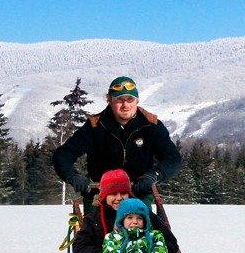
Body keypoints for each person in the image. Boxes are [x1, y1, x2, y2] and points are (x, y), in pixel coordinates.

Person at [73, 169, 197, 253]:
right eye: (113, 194)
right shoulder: (94, 219)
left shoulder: (140, 211)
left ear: (129, 194)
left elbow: (169, 239)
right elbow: (80, 247)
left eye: (123, 193)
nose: (119, 198)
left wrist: (155, 249)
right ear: (104, 196)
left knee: (168, 251)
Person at [52, 76, 181, 203]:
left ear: (137, 101)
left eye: (130, 99)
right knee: (93, 218)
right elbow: (63, 154)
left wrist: (154, 175)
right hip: (99, 194)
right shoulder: (94, 126)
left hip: (138, 193)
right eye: (119, 99)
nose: (125, 105)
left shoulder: (151, 125)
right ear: (109, 100)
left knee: (141, 217)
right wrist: (73, 176)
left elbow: (172, 158)